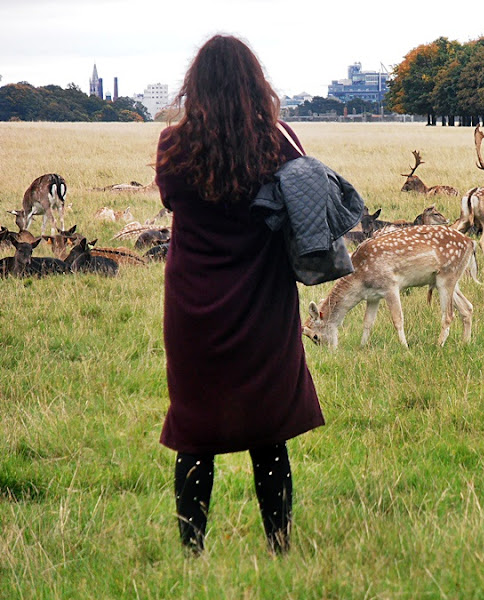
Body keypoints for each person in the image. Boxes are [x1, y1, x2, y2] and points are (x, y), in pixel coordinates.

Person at [154, 34, 324, 556]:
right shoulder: (277, 140)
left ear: (195, 86)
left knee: (194, 427)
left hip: (193, 307)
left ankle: (192, 552)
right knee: (267, 427)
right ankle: (279, 545)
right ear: (256, 84)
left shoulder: (173, 146)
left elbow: (169, 199)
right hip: (263, 303)